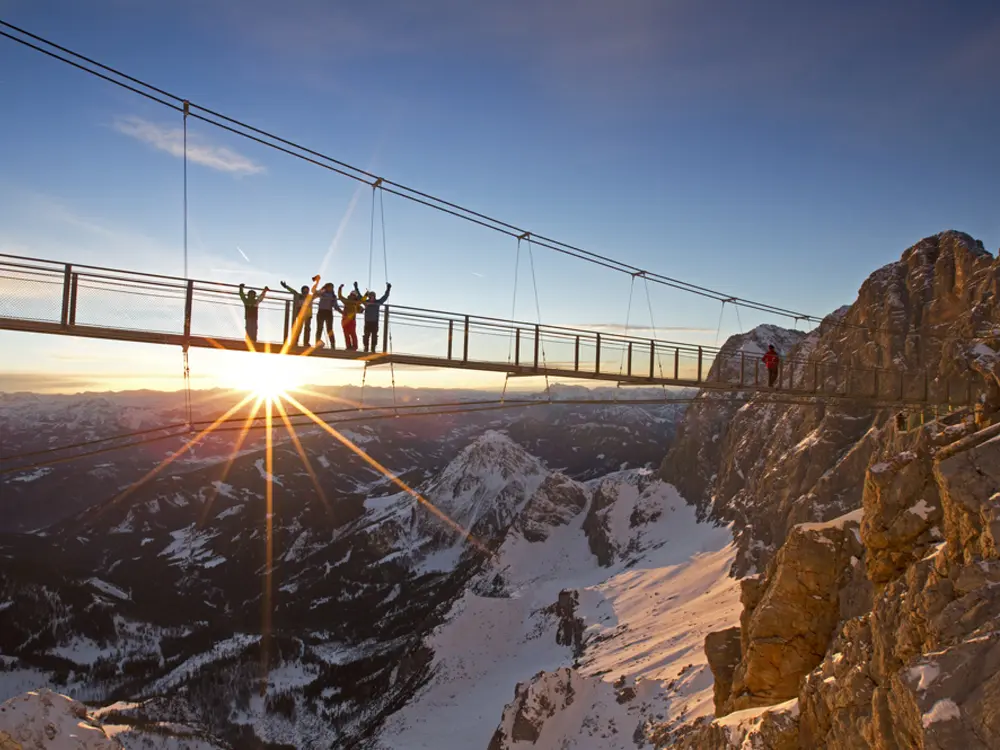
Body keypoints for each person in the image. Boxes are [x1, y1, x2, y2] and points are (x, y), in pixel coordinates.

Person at [280, 275, 320, 348]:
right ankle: (296, 341)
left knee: (307, 329)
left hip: (308, 315)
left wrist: (317, 282)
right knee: (298, 329)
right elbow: (293, 291)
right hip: (300, 315)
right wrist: (285, 286)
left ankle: (306, 343)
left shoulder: (310, 297)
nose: (305, 292)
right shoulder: (298, 296)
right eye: (304, 291)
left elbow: (318, 293)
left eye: (307, 291)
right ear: (302, 291)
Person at [362, 283, 392, 353]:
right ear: (369, 297)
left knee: (374, 336)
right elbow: (361, 299)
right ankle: (366, 347)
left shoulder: (377, 302)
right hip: (367, 322)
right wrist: (357, 289)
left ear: (374, 296)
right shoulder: (366, 302)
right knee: (366, 335)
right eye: (370, 296)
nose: (372, 297)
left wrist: (388, 289)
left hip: (374, 322)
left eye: (373, 296)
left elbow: (385, 297)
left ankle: (373, 348)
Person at [338, 282, 364, 351]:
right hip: (345, 319)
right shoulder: (348, 301)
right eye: (352, 295)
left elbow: (362, 302)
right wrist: (340, 288)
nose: (353, 296)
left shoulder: (356, 303)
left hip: (351, 320)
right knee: (346, 334)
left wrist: (366, 295)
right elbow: (340, 296)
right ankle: (349, 346)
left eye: (354, 295)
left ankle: (354, 347)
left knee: (352, 333)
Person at [315, 282, 340, 348]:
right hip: (321, 311)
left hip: (329, 312)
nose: (331, 288)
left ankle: (333, 344)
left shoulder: (333, 296)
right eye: (330, 287)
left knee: (329, 329)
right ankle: (317, 343)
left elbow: (336, 306)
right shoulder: (322, 293)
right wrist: (323, 290)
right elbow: (316, 293)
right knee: (319, 328)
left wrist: (342, 312)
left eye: (332, 287)